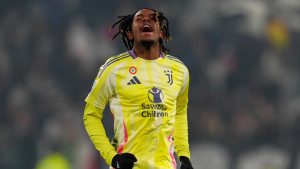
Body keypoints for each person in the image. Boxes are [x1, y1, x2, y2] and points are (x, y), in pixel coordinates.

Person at [83, 8, 194, 169]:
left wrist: (184, 156)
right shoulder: (114, 68)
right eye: (139, 19)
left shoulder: (180, 70)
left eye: (153, 19)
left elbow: (179, 112)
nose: (146, 21)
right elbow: (90, 114)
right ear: (130, 34)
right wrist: (112, 157)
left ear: (162, 32)